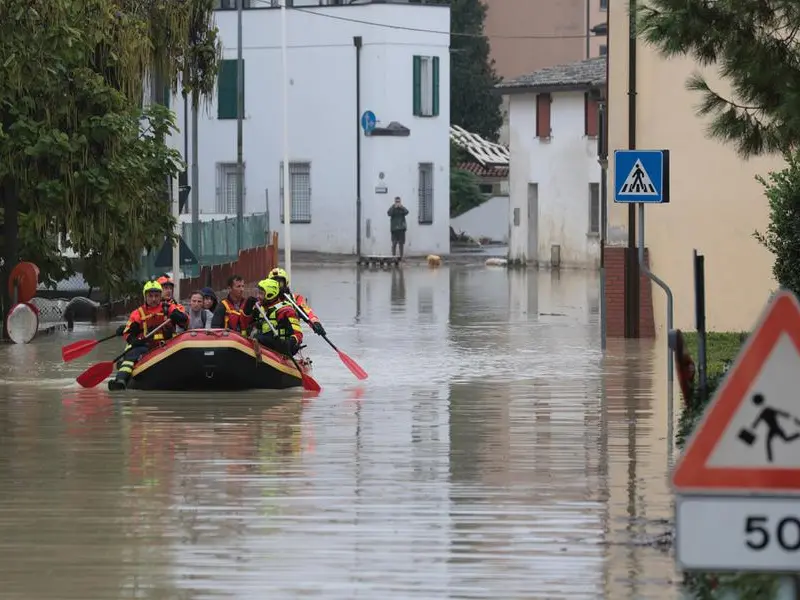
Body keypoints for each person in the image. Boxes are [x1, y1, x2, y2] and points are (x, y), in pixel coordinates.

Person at [109, 280, 188, 391]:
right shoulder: (138, 313)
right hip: (146, 345)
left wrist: (180, 317)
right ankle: (120, 380)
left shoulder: (169, 308)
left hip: (167, 344)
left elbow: (185, 322)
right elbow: (127, 333)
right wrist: (133, 340)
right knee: (132, 354)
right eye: (150, 296)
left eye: (156, 296)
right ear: (145, 296)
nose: (154, 299)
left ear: (160, 296)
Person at [250, 278, 304, 356]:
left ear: (270, 294)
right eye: (258, 293)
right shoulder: (258, 308)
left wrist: (289, 343)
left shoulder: (286, 311)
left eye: (261, 294)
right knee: (258, 337)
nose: (257, 296)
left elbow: (298, 335)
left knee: (260, 338)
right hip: (264, 344)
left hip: (281, 347)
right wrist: (247, 310)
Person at [268, 267, 326, 336]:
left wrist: (316, 323)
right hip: (270, 336)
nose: (277, 286)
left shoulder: (296, 299)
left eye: (280, 283)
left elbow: (308, 313)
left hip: (291, 338)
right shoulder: (265, 300)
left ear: (286, 283)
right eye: (274, 284)